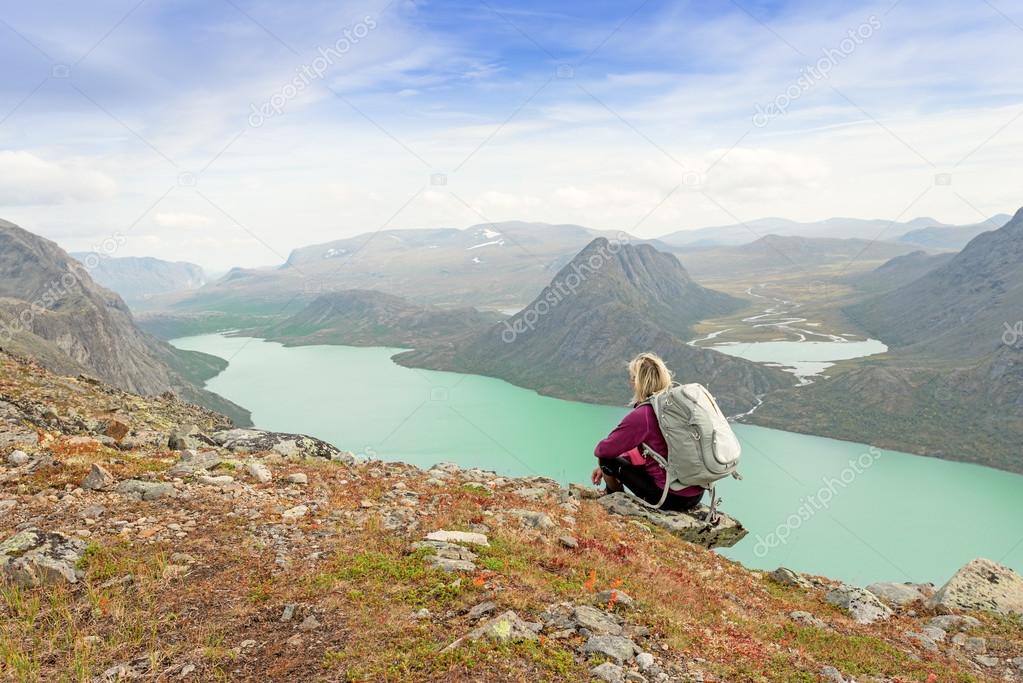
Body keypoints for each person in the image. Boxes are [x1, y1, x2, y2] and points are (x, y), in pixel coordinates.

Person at [591, 352, 704, 511]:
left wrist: (607, 468)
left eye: (632, 378)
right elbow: (658, 449)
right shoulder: (678, 406)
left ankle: (613, 500)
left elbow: (603, 450)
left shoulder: (644, 414)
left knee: (606, 460)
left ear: (637, 382)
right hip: (696, 494)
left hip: (668, 498)